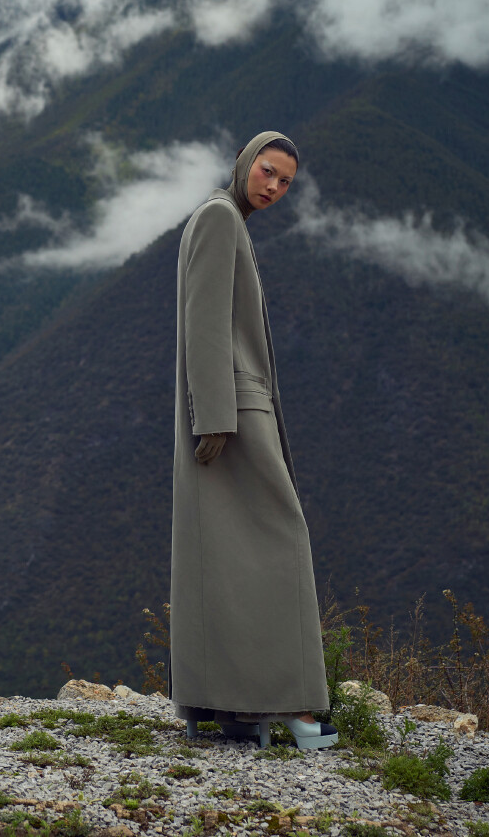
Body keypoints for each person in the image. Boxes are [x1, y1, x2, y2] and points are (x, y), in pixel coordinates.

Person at [169, 130, 336, 750]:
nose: (274, 187)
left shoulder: (223, 217)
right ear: (246, 163)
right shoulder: (218, 219)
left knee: (221, 556)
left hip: (229, 411)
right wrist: (214, 416)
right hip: (233, 415)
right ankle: (290, 707)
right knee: (281, 535)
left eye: (286, 182)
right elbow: (205, 320)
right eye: (268, 172)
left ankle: (226, 706)